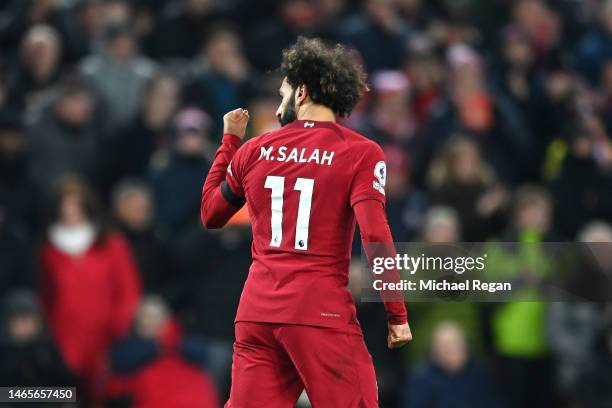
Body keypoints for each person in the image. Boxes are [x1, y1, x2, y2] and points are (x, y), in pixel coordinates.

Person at [200, 37, 411, 407]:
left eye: (283, 91)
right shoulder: (361, 152)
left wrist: (229, 143)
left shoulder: (254, 149)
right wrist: (397, 312)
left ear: (302, 92)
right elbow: (375, 234)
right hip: (319, 313)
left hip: (256, 314)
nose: (280, 101)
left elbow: (211, 214)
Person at [39, 175, 141, 399]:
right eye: (64, 205)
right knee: (63, 396)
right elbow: (45, 297)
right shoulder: (48, 251)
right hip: (63, 341)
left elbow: (128, 290)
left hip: (106, 341)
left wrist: (119, 327)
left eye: (75, 205)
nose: (70, 211)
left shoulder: (111, 244)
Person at [106, 296, 220, 408]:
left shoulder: (182, 339)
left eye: (156, 317)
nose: (151, 322)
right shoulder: (131, 347)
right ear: (137, 323)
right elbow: (120, 361)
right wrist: (160, 345)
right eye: (146, 317)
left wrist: (173, 342)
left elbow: (202, 353)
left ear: (167, 319)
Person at [402, 322, 504, 408]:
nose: (450, 351)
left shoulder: (480, 375)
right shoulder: (421, 380)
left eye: (455, 345)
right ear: (434, 351)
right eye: (445, 346)